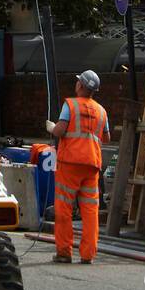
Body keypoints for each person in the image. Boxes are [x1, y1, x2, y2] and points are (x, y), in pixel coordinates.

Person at [47, 69, 110, 265]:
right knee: (90, 209)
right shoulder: (101, 111)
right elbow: (106, 138)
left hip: (70, 164)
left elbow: (60, 130)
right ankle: (88, 254)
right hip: (92, 165)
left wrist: (50, 127)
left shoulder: (70, 105)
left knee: (64, 207)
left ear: (80, 85)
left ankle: (64, 252)